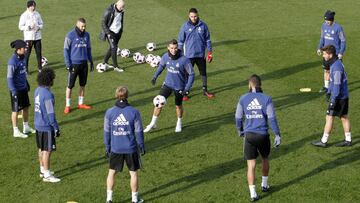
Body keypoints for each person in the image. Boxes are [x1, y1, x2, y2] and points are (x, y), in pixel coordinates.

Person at [235, 74, 281, 202]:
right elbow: (272, 118)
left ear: (250, 85)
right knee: (265, 159)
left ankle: (253, 194)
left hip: (249, 135)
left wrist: (239, 130)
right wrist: (277, 134)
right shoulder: (267, 99)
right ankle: (264, 185)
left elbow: (238, 117)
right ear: (260, 85)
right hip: (263, 135)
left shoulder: (243, 98)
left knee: (251, 165)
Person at [143, 39, 195, 133]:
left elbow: (191, 74)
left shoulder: (184, 60)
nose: (174, 50)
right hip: (167, 84)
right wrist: (155, 77)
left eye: (175, 48)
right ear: (168, 48)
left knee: (178, 106)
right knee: (158, 103)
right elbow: (161, 66)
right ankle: (152, 123)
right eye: (171, 48)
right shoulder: (165, 56)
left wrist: (187, 88)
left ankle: (179, 122)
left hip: (179, 87)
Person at [104, 86, 145, 203]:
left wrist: (107, 146)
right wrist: (141, 144)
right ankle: (134, 200)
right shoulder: (134, 112)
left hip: (115, 148)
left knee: (112, 172)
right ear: (127, 96)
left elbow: (106, 131)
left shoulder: (109, 112)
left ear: (116, 96)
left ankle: (109, 199)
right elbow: (138, 130)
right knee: (133, 173)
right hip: (131, 148)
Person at [312, 45, 351, 148]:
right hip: (343, 96)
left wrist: (333, 99)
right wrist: (329, 91)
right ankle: (348, 139)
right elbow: (332, 82)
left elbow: (337, 85)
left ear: (330, 54)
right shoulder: (335, 63)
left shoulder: (337, 67)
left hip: (339, 97)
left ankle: (324, 141)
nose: (323, 56)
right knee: (343, 117)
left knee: (329, 117)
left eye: (325, 54)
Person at [178, 8, 214, 101]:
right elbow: (181, 42)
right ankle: (185, 92)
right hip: (189, 56)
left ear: (198, 15)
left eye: (195, 16)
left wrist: (209, 52)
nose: (193, 18)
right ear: (188, 16)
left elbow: (208, 40)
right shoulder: (185, 26)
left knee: (203, 73)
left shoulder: (203, 25)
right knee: (187, 74)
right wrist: (179, 53)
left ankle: (205, 90)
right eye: (191, 16)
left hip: (201, 55)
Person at [34, 68, 61, 183]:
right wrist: (56, 127)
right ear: (50, 80)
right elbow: (50, 114)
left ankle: (42, 170)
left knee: (41, 148)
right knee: (47, 150)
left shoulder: (37, 90)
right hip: (46, 127)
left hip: (37, 124)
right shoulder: (48, 95)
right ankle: (47, 174)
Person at [64, 18, 94, 114]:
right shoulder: (70, 35)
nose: (83, 28)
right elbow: (66, 50)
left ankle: (80, 103)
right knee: (70, 86)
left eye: (85, 26)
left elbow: (89, 48)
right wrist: (68, 64)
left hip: (84, 64)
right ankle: (67, 105)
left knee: (82, 84)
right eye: (82, 26)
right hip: (74, 64)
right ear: (77, 25)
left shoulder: (87, 35)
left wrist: (91, 60)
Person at [7, 39, 36, 138]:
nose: (26, 49)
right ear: (19, 49)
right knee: (15, 110)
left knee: (26, 107)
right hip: (16, 90)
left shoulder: (23, 57)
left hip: (23, 88)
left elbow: (22, 73)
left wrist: (26, 83)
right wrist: (13, 91)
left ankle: (26, 127)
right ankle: (15, 131)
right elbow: (9, 78)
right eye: (25, 48)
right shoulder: (13, 61)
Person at [317, 10, 346, 93]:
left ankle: (338, 87)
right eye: (325, 20)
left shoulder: (338, 27)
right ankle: (326, 87)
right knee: (326, 70)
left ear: (332, 20)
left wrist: (341, 52)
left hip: (336, 54)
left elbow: (343, 41)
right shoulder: (323, 26)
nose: (326, 22)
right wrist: (319, 48)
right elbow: (322, 38)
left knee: (336, 72)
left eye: (328, 20)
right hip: (326, 54)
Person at [18, 0, 44, 73]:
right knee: (27, 54)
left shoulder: (37, 14)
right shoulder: (24, 15)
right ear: (28, 7)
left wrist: (38, 27)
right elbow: (20, 27)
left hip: (37, 37)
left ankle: (40, 68)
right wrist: (29, 27)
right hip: (28, 38)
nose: (34, 7)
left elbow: (41, 24)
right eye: (32, 6)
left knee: (39, 53)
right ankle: (26, 69)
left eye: (34, 6)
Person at [100, 0, 125, 72]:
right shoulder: (109, 11)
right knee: (114, 48)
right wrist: (108, 33)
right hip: (110, 32)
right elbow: (103, 23)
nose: (122, 8)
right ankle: (115, 67)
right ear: (117, 5)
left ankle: (105, 62)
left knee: (112, 47)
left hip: (118, 32)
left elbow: (120, 20)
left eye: (123, 7)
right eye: (121, 7)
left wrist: (120, 30)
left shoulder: (122, 11)